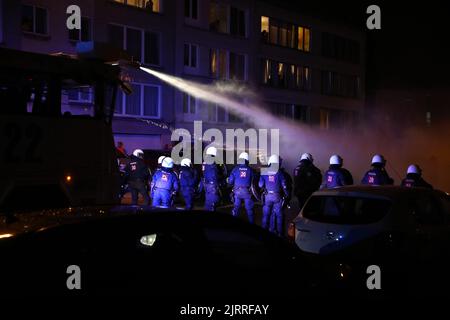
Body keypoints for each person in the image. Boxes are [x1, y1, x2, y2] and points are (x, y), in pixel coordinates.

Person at [259, 154, 289, 236]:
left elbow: (260, 185)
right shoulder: (280, 173)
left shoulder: (264, 171)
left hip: (268, 196)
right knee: (279, 215)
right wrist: (287, 195)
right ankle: (279, 234)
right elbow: (284, 186)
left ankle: (264, 233)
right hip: (277, 197)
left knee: (266, 215)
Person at [228, 152, 255, 223]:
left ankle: (233, 226)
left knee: (236, 208)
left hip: (237, 192)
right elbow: (254, 182)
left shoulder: (235, 169)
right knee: (249, 210)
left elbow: (230, 181)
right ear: (247, 160)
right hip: (247, 193)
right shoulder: (250, 170)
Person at [200, 146, 225, 212]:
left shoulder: (204, 162)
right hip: (212, 185)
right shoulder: (212, 163)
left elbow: (203, 172)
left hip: (206, 183)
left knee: (208, 202)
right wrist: (220, 182)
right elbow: (215, 175)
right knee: (213, 202)